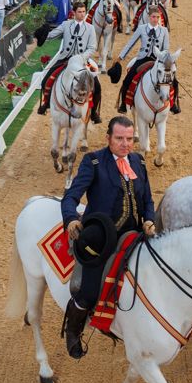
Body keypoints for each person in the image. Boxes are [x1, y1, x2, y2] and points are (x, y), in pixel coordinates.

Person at [58, 116, 158, 359]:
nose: (125, 144)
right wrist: (71, 219)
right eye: (119, 139)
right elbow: (70, 197)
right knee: (89, 292)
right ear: (108, 138)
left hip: (134, 235)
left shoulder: (139, 162)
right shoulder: (93, 162)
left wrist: (149, 219)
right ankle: (73, 329)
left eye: (129, 139)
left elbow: (147, 199)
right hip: (102, 237)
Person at [36, 10, 101, 122]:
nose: (82, 14)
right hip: (65, 59)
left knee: (97, 86)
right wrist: (42, 34)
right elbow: (52, 35)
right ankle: (46, 104)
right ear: (74, 13)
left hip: (82, 61)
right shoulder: (66, 24)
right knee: (45, 81)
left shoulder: (90, 28)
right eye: (80, 12)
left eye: (84, 11)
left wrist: (81, 57)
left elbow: (92, 47)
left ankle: (94, 113)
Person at [115, 4, 177, 114]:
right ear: (149, 17)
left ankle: (173, 104)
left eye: (158, 17)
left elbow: (166, 48)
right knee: (127, 80)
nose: (156, 19)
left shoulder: (164, 30)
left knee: (174, 81)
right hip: (143, 58)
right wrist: (121, 57)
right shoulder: (141, 28)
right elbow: (131, 43)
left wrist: (164, 57)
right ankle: (124, 104)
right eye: (153, 17)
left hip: (158, 60)